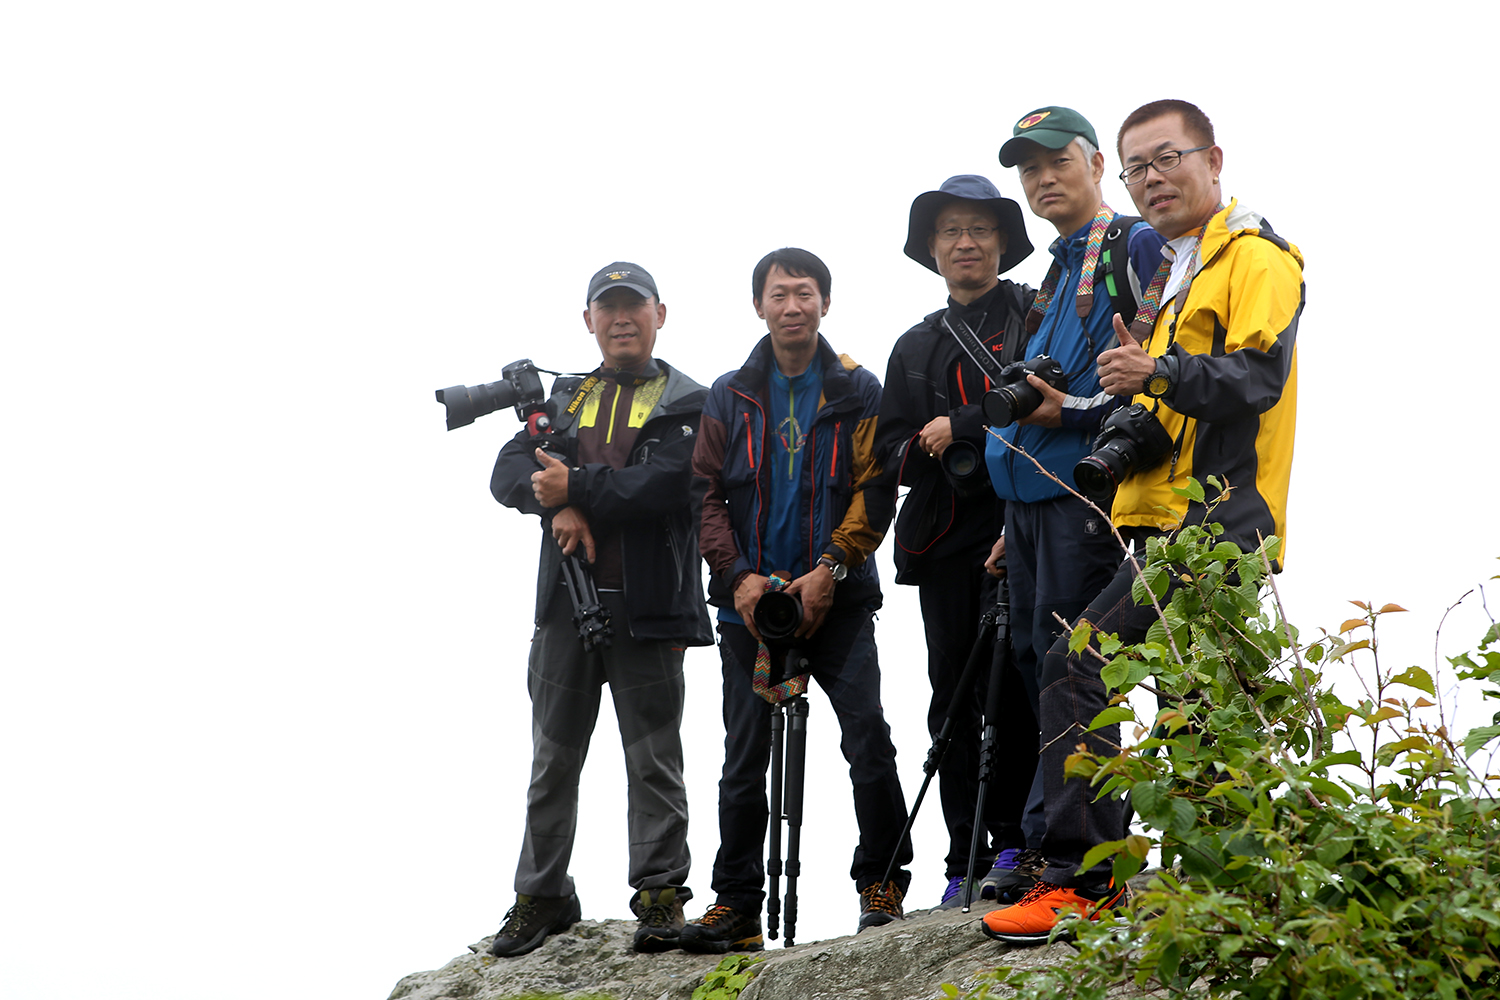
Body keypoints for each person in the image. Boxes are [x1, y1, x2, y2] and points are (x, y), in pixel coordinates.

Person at [981, 100, 1303, 943]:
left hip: (1218, 518)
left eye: (1168, 158)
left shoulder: (1257, 256)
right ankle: (1220, 894)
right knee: (1194, 705)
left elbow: (1256, 378)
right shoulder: (1181, 271)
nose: (1153, 179)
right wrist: (1114, 410)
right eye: (1139, 168)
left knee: (1078, 660)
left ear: (1213, 159)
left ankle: (1083, 882)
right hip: (1164, 516)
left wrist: (1155, 371)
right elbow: (1166, 406)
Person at [685, 247, 911, 951]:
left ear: (825, 303)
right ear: (758, 305)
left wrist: (830, 569)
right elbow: (704, 494)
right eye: (779, 294)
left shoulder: (858, 388)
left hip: (837, 599)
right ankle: (735, 905)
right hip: (749, 608)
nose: (792, 306)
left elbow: (877, 487)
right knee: (743, 753)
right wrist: (739, 579)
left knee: (867, 737)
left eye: (804, 293)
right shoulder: (729, 395)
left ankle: (882, 881)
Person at [486, 262, 712, 956]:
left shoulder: (691, 401)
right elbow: (506, 471)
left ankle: (660, 897)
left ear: (659, 314)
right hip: (566, 605)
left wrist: (575, 489)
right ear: (588, 321)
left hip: (651, 608)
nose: (621, 319)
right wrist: (554, 505)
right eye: (607, 307)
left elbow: (668, 482)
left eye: (633, 305)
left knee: (654, 761)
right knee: (552, 760)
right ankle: (542, 895)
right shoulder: (565, 399)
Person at [977, 108, 1167, 902]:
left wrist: (1073, 415)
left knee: (1079, 667)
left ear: (1095, 165)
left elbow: (1155, 377)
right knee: (1040, 664)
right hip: (1027, 505)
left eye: (1057, 160)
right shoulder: (1058, 269)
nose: (1043, 178)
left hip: (1081, 497)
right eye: (1029, 169)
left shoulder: (1134, 244)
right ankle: (1049, 839)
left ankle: (1085, 858)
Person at [877, 176, 1039, 907]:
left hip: (1027, 525)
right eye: (950, 231)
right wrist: (928, 446)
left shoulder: (1038, 315)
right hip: (944, 542)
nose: (965, 243)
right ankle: (962, 858)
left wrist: (965, 425)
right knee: (952, 699)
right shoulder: (915, 347)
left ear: (1003, 241)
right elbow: (886, 452)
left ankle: (1024, 843)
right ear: (933, 248)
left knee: (1027, 688)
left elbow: (1059, 395)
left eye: (979, 229)